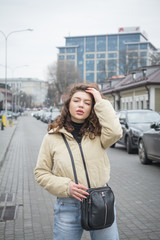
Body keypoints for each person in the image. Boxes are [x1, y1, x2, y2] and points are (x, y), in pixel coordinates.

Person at [34, 83, 122, 240]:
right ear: (68, 104)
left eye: (87, 103)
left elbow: (116, 131)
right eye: (76, 100)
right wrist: (66, 187)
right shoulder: (52, 137)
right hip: (68, 204)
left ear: (92, 108)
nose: (81, 105)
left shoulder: (99, 134)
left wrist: (100, 101)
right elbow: (41, 172)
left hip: (100, 201)